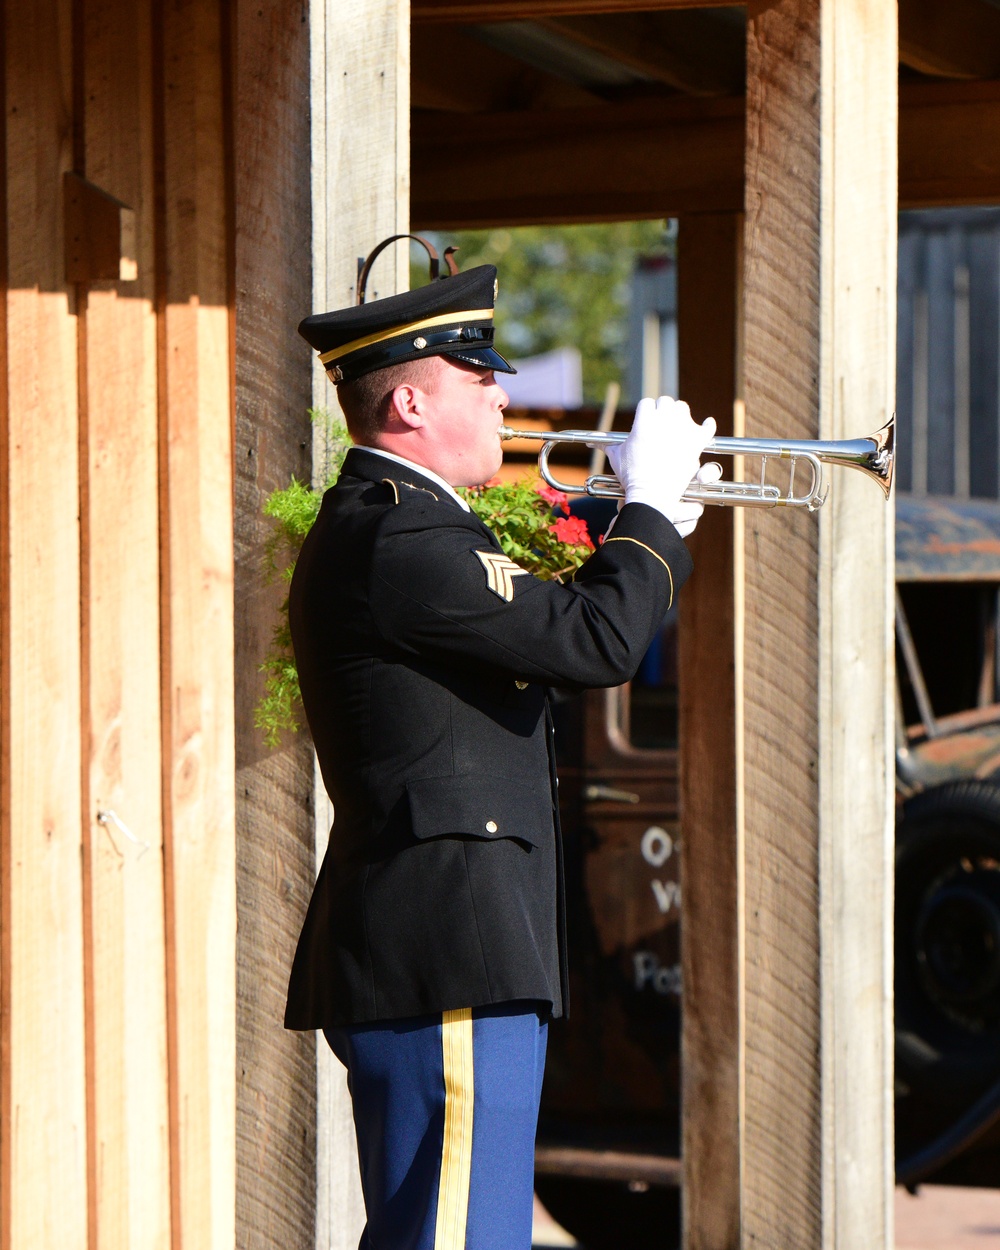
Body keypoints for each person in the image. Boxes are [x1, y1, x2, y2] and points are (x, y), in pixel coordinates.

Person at [286, 256, 716, 1250]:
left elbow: (556, 626)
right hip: (449, 947)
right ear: (407, 398)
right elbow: (595, 643)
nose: (502, 395)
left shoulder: (408, 530)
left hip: (446, 941)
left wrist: (651, 521)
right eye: (478, 377)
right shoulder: (404, 539)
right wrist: (646, 507)